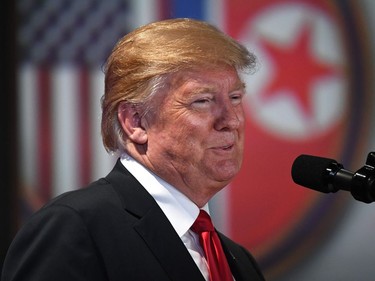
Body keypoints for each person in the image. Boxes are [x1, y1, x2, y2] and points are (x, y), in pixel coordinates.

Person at [2, 18, 265, 281]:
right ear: (135, 121)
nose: (231, 120)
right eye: (203, 101)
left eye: (235, 98)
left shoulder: (239, 263)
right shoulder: (74, 229)